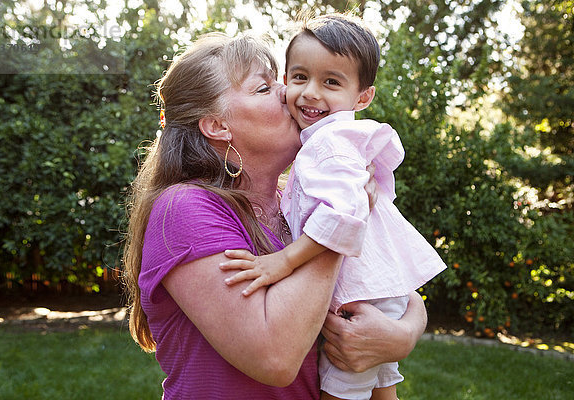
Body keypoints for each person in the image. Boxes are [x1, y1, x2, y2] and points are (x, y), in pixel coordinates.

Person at [123, 31, 428, 400]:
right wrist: (343, 216)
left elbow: (394, 286)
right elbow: (274, 358)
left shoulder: (294, 199)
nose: (287, 91)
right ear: (218, 126)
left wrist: (401, 337)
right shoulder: (184, 209)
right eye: (264, 89)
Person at [220, 13, 446, 400]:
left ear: (363, 97)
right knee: (382, 387)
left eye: (331, 82)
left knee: (341, 392)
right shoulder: (336, 143)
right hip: (376, 290)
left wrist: (285, 261)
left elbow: (343, 218)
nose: (310, 92)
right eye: (299, 77)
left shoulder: (328, 145)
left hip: (359, 298)